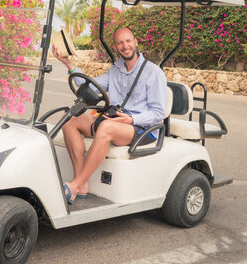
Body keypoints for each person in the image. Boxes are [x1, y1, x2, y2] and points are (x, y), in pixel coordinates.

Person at [52, 27, 167, 204]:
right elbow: (89, 85)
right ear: (115, 46)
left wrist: (132, 119)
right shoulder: (116, 70)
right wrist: (68, 63)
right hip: (116, 121)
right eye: (120, 42)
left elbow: (158, 113)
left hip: (143, 129)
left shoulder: (154, 73)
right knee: (69, 120)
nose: (125, 46)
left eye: (128, 41)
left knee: (106, 127)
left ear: (135, 43)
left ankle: (74, 185)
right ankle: (81, 184)